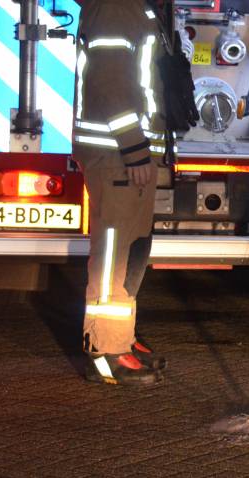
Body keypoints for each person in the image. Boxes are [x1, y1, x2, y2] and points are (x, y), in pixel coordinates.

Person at [72, 0, 171, 385]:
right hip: (116, 155)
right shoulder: (115, 7)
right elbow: (110, 83)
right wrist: (134, 147)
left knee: (130, 255)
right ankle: (105, 353)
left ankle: (120, 340)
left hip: (126, 155)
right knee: (113, 257)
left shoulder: (132, 7)